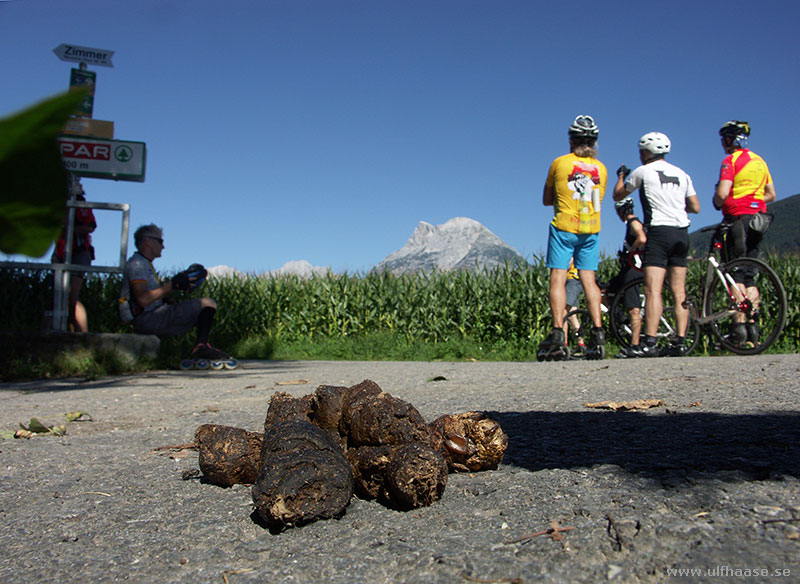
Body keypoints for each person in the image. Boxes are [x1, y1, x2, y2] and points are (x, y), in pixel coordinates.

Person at [613, 132, 700, 357]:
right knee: (679, 290)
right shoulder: (683, 174)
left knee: (653, 290)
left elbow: (618, 195)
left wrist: (622, 176)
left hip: (659, 232)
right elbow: (695, 206)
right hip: (681, 231)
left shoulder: (643, 171)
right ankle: (680, 342)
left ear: (644, 153)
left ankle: (648, 343)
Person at [538, 115, 607, 361]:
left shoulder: (559, 163)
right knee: (590, 280)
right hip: (591, 228)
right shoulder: (602, 169)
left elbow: (547, 199)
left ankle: (558, 331)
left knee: (558, 276)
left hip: (564, 226)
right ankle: (598, 332)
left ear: (571, 140)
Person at [119, 224, 229, 362]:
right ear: (147, 241)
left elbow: (148, 297)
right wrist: (173, 284)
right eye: (160, 241)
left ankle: (200, 347)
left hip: (151, 315)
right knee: (208, 303)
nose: (163, 246)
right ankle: (201, 347)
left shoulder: (144, 263)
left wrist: (170, 294)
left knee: (202, 312)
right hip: (147, 319)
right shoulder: (137, 265)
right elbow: (142, 299)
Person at [713, 120, 776, 345]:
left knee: (735, 273)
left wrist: (719, 200)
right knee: (750, 275)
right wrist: (753, 200)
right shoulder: (760, 161)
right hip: (759, 219)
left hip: (737, 220)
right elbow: (771, 194)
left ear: (730, 139)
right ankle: (753, 328)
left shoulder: (730, 161)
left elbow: (722, 193)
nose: (722, 144)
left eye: (724, 139)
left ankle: (738, 329)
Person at [51, 176, 96, 332]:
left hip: (79, 252)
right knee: (58, 296)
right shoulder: (57, 205)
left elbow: (90, 227)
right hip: (61, 252)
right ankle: (66, 331)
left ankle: (82, 336)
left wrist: (67, 226)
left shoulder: (81, 205)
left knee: (72, 296)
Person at [607, 197, 647, 358]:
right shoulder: (629, 224)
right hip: (626, 271)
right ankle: (623, 322)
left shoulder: (633, 222)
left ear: (621, 211)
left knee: (633, 310)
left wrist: (632, 250)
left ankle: (635, 344)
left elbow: (642, 237)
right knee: (604, 292)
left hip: (633, 270)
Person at [562, 259, 586, 357]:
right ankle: (581, 344)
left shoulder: (571, 248)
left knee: (563, 312)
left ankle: (563, 344)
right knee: (572, 314)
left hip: (572, 279)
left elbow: (569, 262)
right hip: (575, 280)